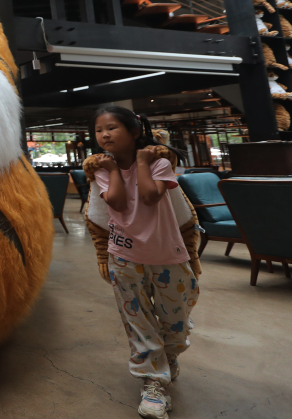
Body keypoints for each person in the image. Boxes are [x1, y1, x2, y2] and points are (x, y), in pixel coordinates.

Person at [93, 105, 199, 419]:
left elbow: (152, 197)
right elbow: (117, 202)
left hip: (167, 254)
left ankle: (169, 354)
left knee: (176, 318)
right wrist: (113, 171)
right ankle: (153, 380)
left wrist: (141, 161)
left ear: (135, 132)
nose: (104, 135)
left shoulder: (159, 162)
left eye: (112, 128)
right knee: (137, 323)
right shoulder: (100, 169)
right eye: (99, 130)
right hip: (124, 256)